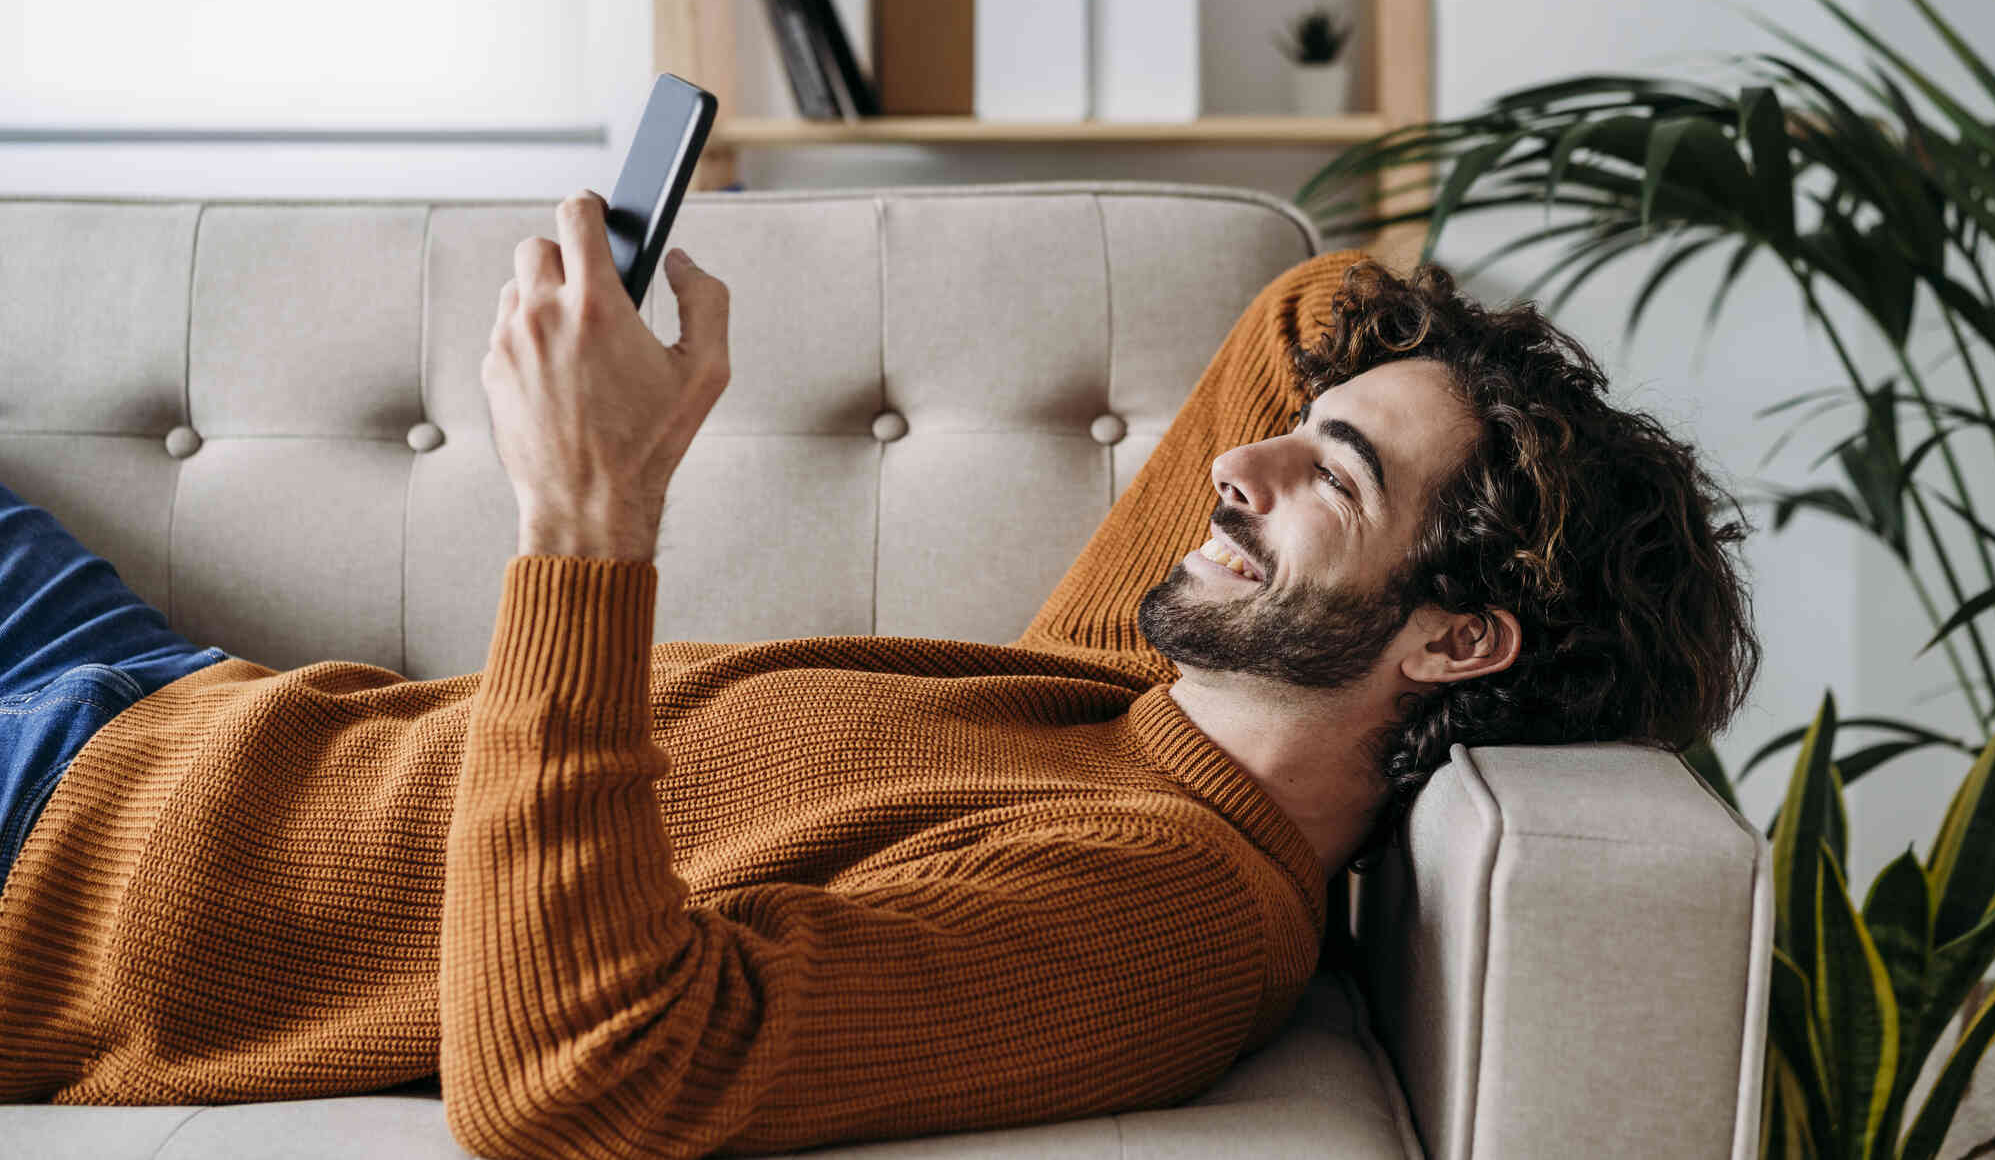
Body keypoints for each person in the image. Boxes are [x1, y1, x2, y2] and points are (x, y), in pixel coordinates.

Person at [0, 193, 1758, 1159]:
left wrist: (583, 521)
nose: (1246, 471)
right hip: (150, 690)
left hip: (57, 870)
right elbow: (1317, 302)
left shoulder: (1164, 906)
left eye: (1335, 481)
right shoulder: (1128, 705)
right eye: (1292, 447)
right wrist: (1465, 418)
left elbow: (583, 1076)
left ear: (1459, 639)